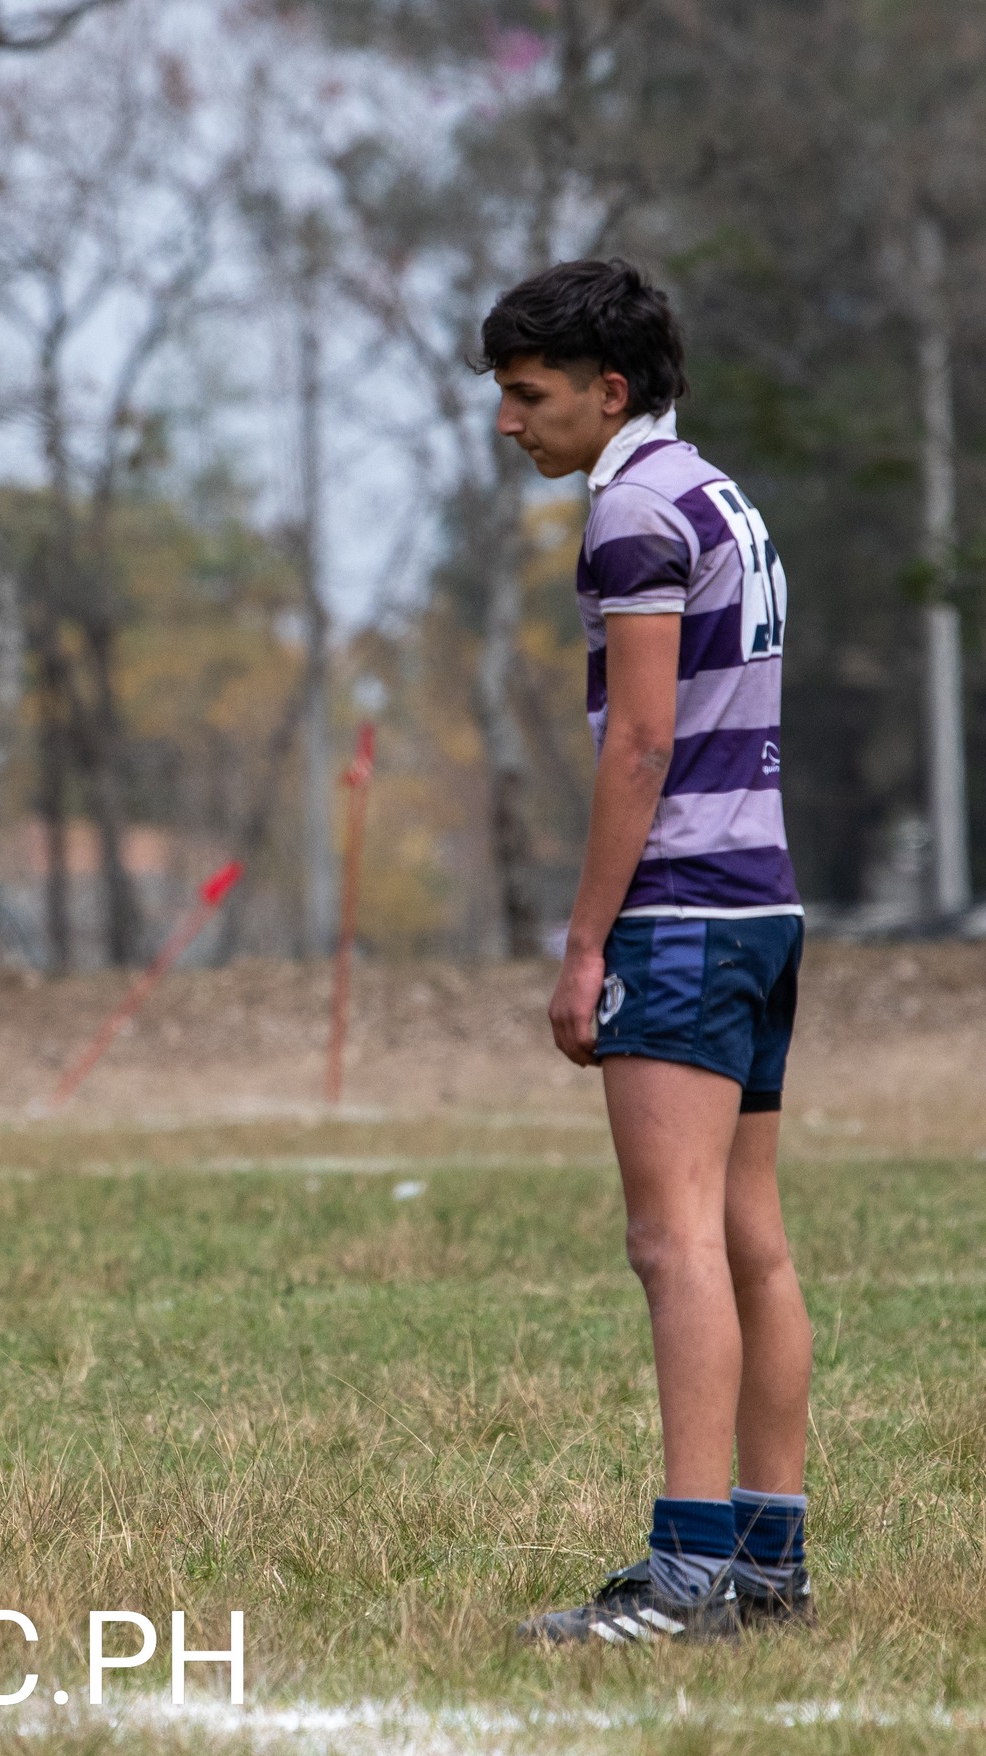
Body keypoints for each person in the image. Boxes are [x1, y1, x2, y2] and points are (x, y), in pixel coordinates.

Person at [480, 261, 812, 1644]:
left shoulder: (629, 508)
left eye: (529, 392)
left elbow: (643, 737)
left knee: (671, 1241)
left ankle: (685, 1583)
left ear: (608, 389)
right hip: (765, 905)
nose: (510, 421)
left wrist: (584, 938)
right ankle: (765, 1563)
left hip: (678, 910)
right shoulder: (718, 492)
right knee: (749, 1240)